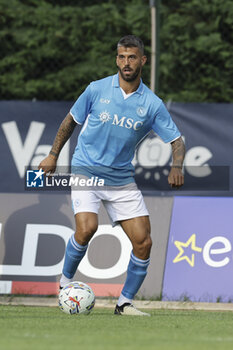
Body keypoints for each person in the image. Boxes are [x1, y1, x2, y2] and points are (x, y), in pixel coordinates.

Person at [39, 35, 185, 316]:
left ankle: (124, 303)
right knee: (87, 228)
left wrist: (176, 166)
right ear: (116, 59)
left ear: (142, 60)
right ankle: (66, 284)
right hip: (86, 170)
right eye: (121, 57)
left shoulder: (152, 104)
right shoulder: (96, 89)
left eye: (132, 57)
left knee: (144, 242)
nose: (126, 62)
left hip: (120, 179)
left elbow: (177, 141)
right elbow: (70, 121)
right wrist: (53, 155)